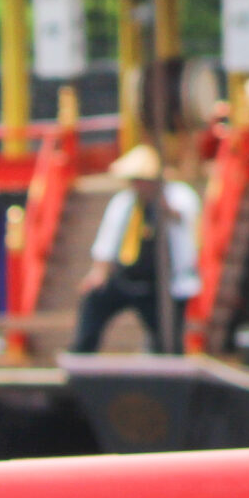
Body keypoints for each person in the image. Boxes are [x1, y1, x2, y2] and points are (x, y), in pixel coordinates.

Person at [70, 143, 200, 354]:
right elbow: (107, 240)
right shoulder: (124, 202)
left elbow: (183, 218)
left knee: (168, 336)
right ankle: (82, 353)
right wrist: (99, 272)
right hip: (127, 277)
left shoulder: (180, 196)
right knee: (95, 301)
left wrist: (162, 204)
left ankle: (169, 367)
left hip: (161, 284)